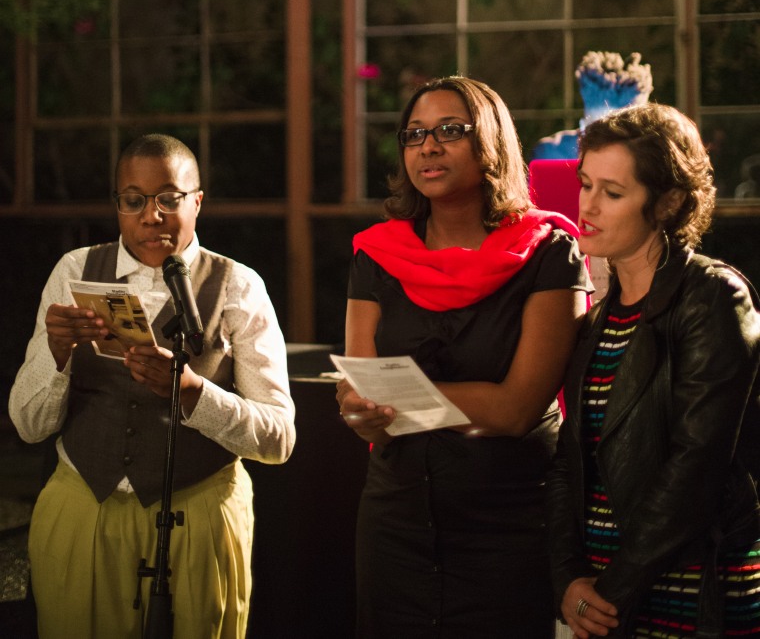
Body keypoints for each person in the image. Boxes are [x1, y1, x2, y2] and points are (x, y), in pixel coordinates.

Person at [9, 133, 295, 639]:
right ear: (117, 203)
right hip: (83, 512)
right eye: (133, 201)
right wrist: (56, 356)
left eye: (169, 198)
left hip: (201, 515)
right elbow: (28, 427)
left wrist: (193, 393)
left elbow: (278, 440)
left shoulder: (238, 285)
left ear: (197, 201)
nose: (151, 216)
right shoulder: (75, 271)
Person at [337, 75, 592, 637]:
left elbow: (517, 409)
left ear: (490, 142)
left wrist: (398, 400)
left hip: (508, 524)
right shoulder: (376, 254)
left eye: (451, 130)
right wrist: (358, 413)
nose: (428, 146)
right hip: (396, 519)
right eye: (415, 134)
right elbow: (361, 392)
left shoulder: (549, 252)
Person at [546, 103, 760, 638]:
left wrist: (610, 591)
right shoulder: (596, 318)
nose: (587, 206)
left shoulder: (712, 295)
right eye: (586, 183)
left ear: (667, 203)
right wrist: (569, 577)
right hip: (603, 591)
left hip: (688, 589)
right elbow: (570, 461)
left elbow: (696, 467)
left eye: (613, 193)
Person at [532, 51, 653, 161]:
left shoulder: (653, 157)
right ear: (584, 124)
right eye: (596, 132)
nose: (606, 144)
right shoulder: (551, 154)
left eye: (622, 134)